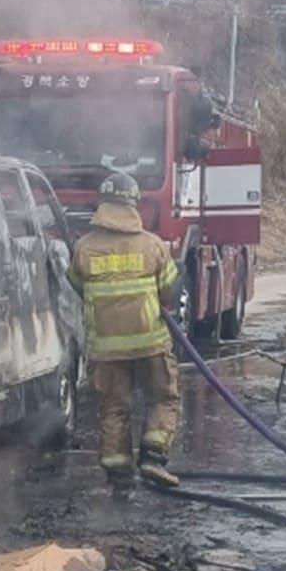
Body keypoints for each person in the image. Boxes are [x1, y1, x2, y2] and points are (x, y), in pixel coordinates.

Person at [67, 172, 182, 499]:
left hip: (106, 349)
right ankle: (153, 457)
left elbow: (77, 287)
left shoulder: (83, 248)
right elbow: (169, 291)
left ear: (101, 204)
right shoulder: (152, 245)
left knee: (114, 407)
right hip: (151, 343)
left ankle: (119, 477)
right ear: (134, 204)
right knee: (162, 397)